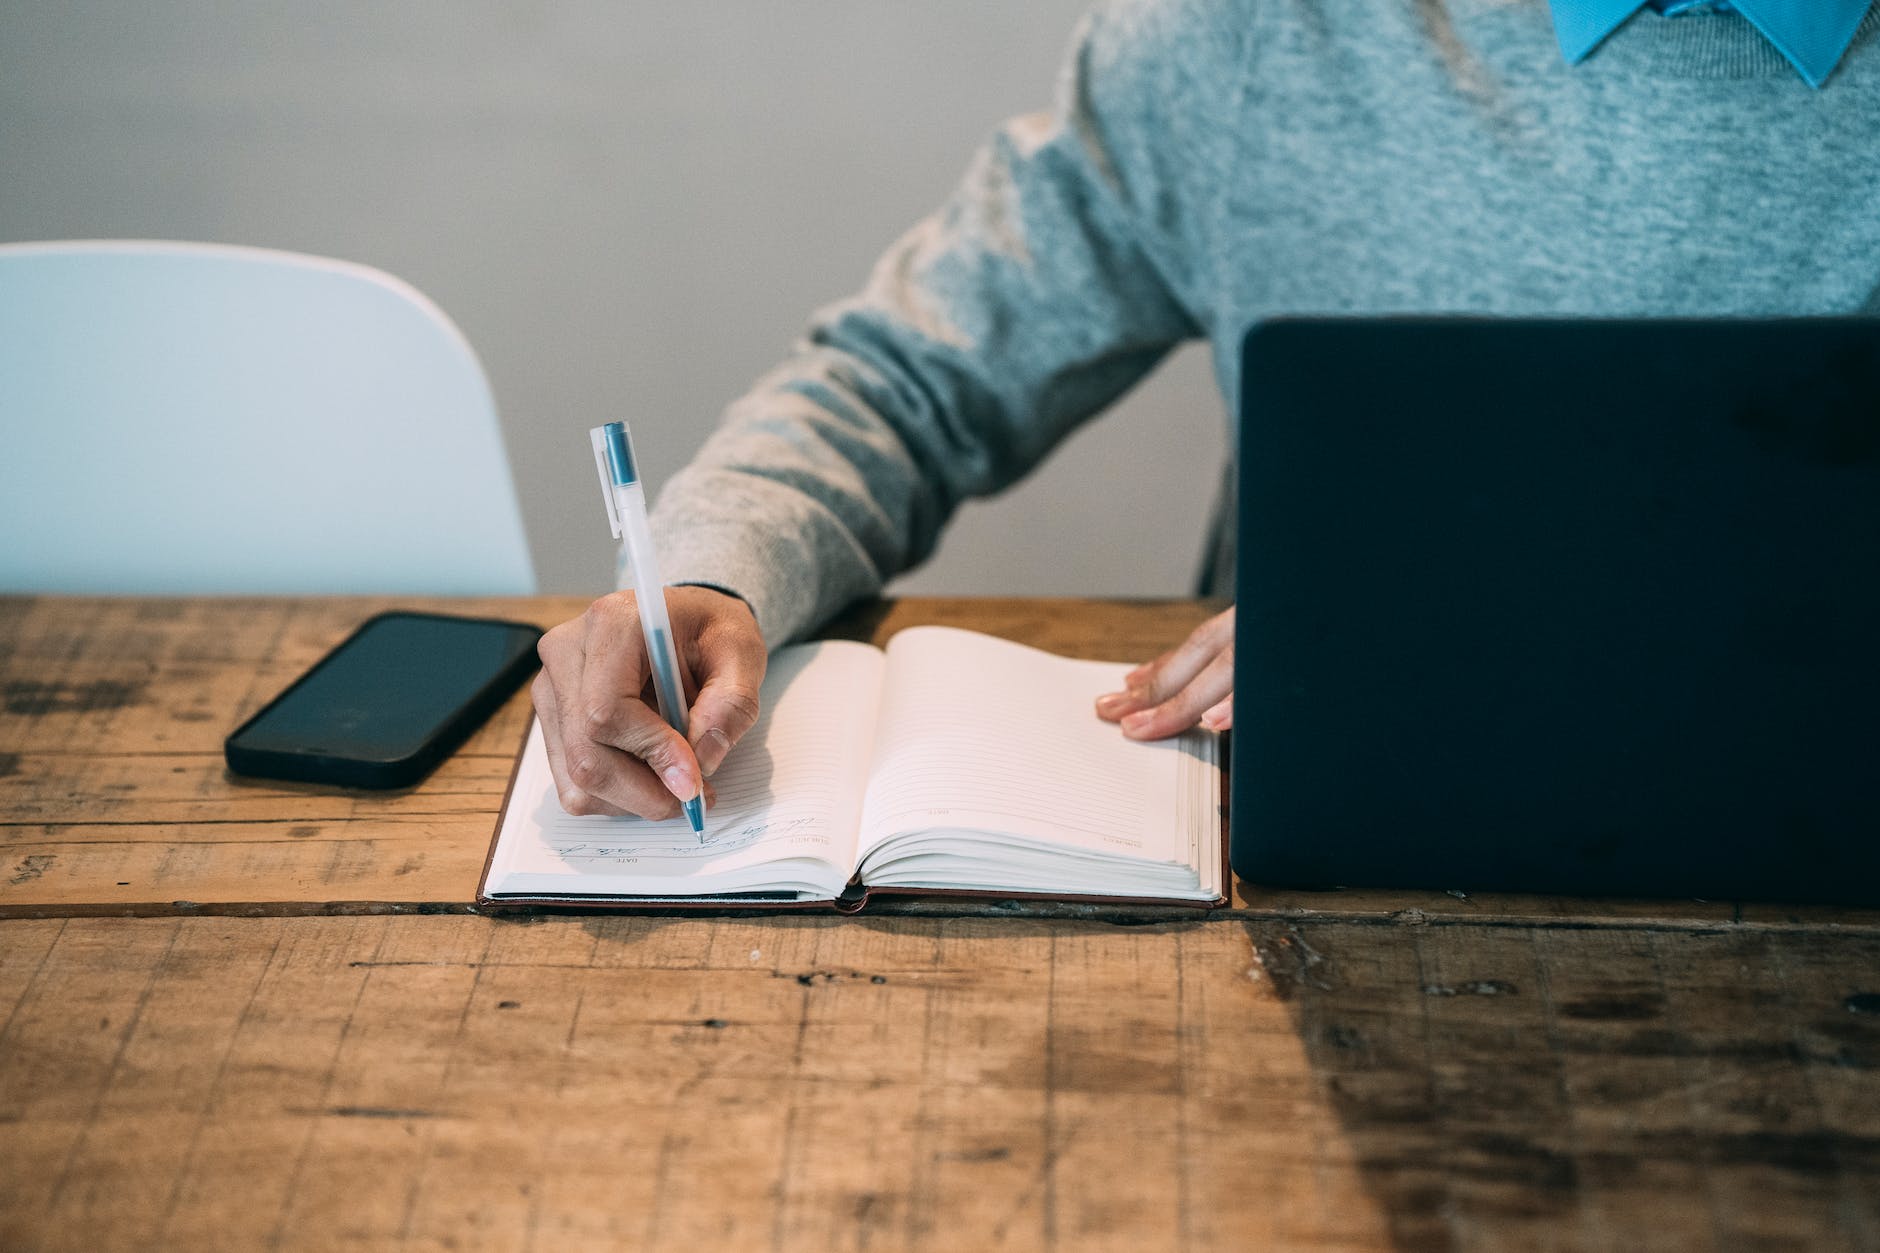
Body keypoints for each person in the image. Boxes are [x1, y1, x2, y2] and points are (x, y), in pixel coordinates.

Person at [533, 0, 1879, 819]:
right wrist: (715, 570)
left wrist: (1468, 631)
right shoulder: (1254, 34)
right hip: (1286, 907)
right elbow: (905, 375)